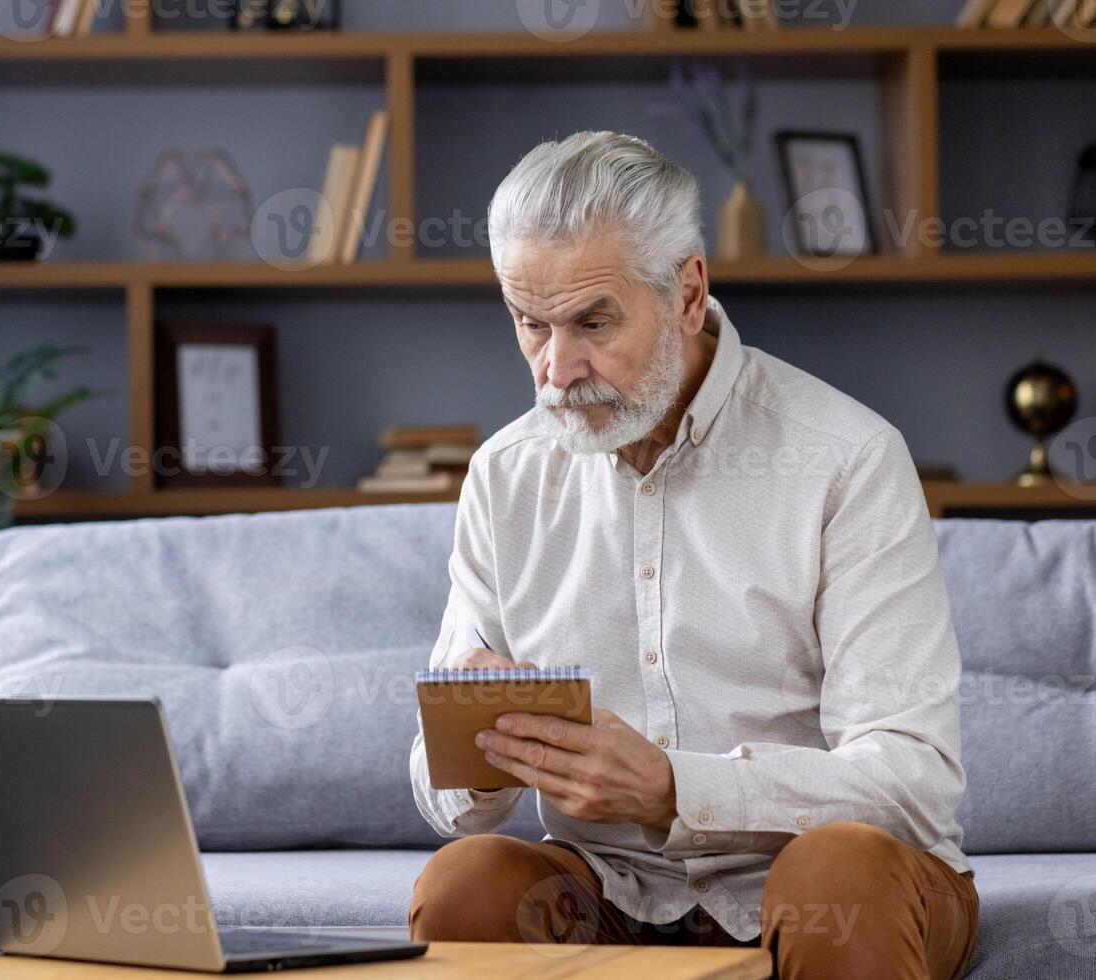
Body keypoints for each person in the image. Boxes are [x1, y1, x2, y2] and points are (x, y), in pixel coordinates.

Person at [407, 130, 978, 980]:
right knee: (467, 886)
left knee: (839, 876)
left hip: (839, 878)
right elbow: (445, 797)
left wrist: (676, 788)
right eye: (530, 324)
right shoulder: (505, 476)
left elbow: (914, 780)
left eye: (592, 322)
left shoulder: (844, 456)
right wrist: (481, 752)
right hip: (616, 887)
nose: (556, 371)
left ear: (686, 289)